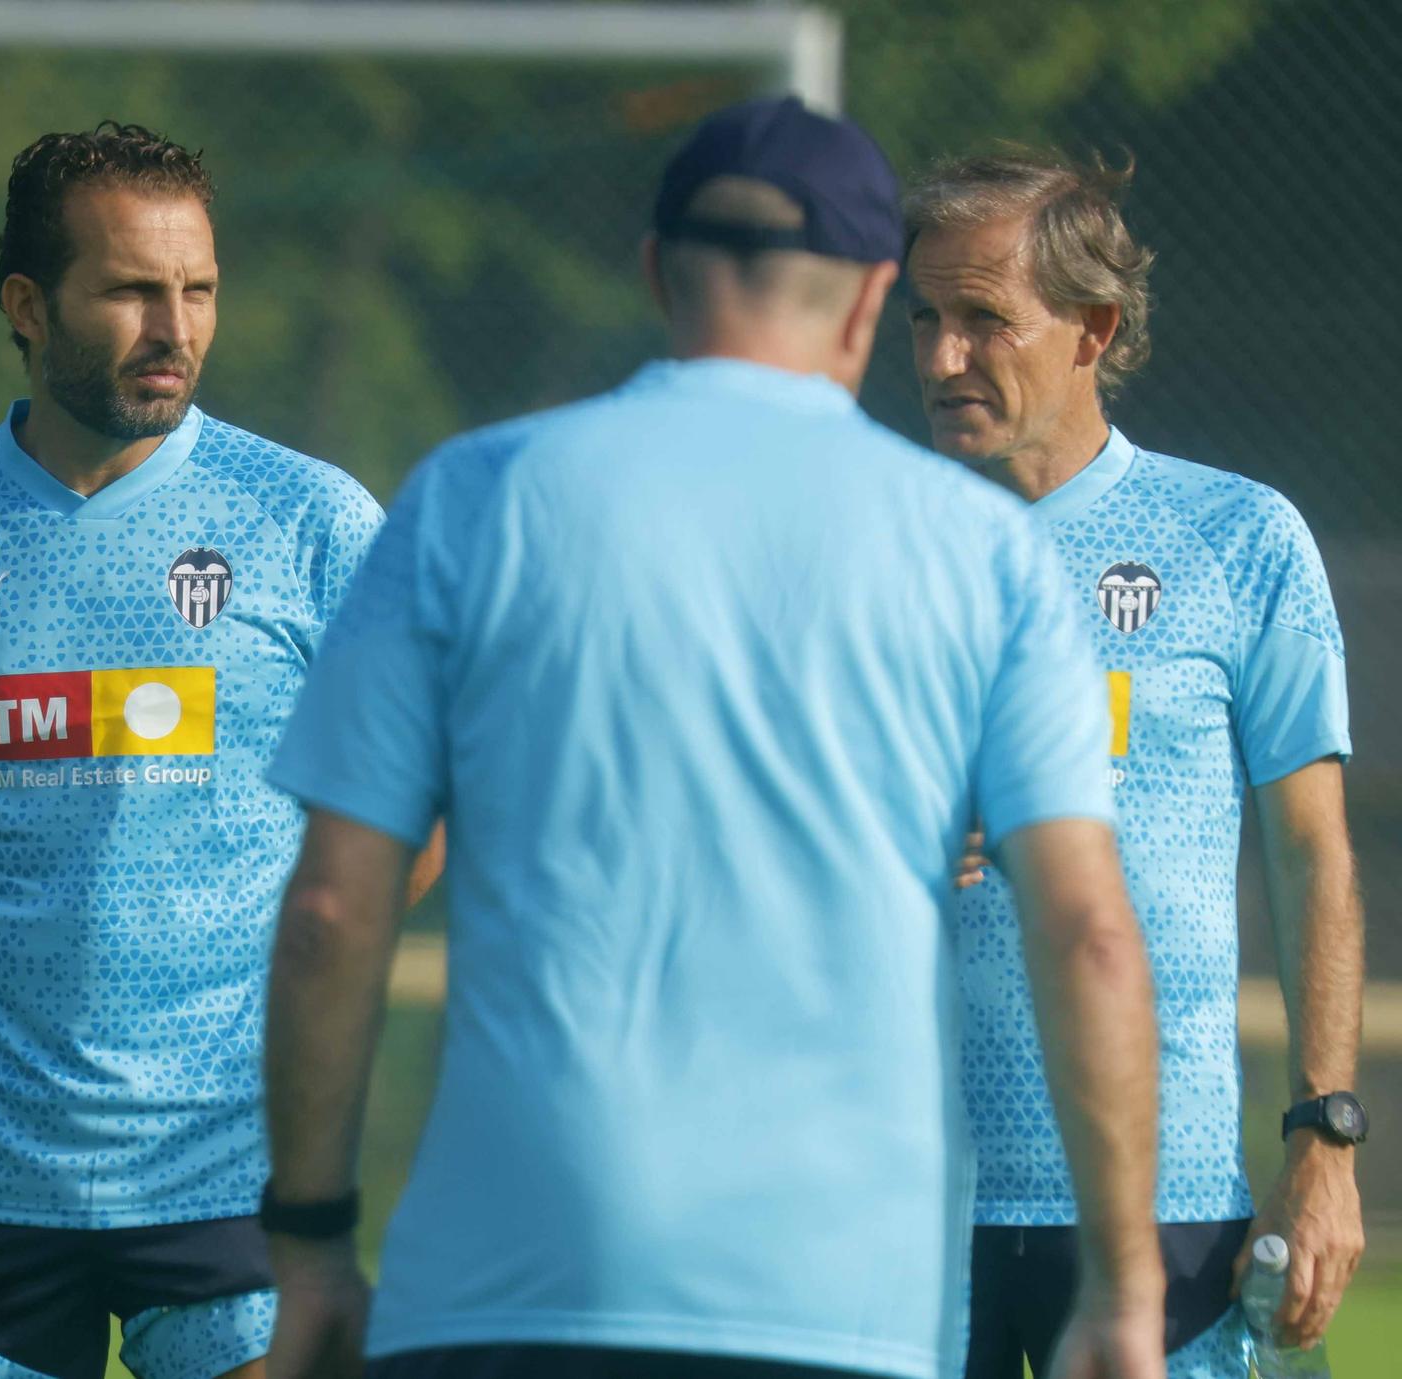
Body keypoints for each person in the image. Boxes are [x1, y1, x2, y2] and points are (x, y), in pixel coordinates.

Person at [257, 98, 1165, 1379]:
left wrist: (307, 1242)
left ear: (652, 274)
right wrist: (1123, 1291)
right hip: (844, 1310)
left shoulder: (472, 492)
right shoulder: (980, 555)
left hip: (496, 1294)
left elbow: (331, 915)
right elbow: (1087, 933)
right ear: (867, 303)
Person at [0, 122, 394, 1379]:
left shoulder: (315, 523)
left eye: (198, 288)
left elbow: (409, 817)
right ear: (26, 303)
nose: (174, 326)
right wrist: (10, 970)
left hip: (233, 1164)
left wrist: (276, 967)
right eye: (129, 289)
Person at [905, 150, 1366, 1379]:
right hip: (893, 1204)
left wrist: (1323, 1140)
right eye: (923, 317)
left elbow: (1312, 853)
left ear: (1089, 330)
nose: (942, 356)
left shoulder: (1233, 536)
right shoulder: (862, 550)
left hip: (1161, 1206)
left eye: (982, 319)